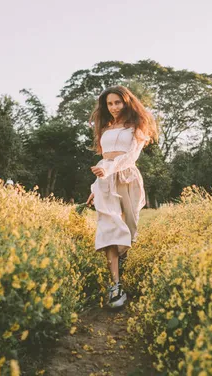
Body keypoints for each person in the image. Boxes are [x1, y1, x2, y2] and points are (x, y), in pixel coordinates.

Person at [85, 86, 158, 309]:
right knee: (110, 228)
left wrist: (110, 169)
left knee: (129, 228)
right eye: (109, 104)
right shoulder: (105, 129)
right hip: (105, 180)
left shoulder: (137, 127)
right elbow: (103, 160)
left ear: (127, 102)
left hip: (127, 178)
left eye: (118, 102)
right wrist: (95, 187)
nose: (114, 107)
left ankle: (122, 259)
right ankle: (115, 286)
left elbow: (131, 156)